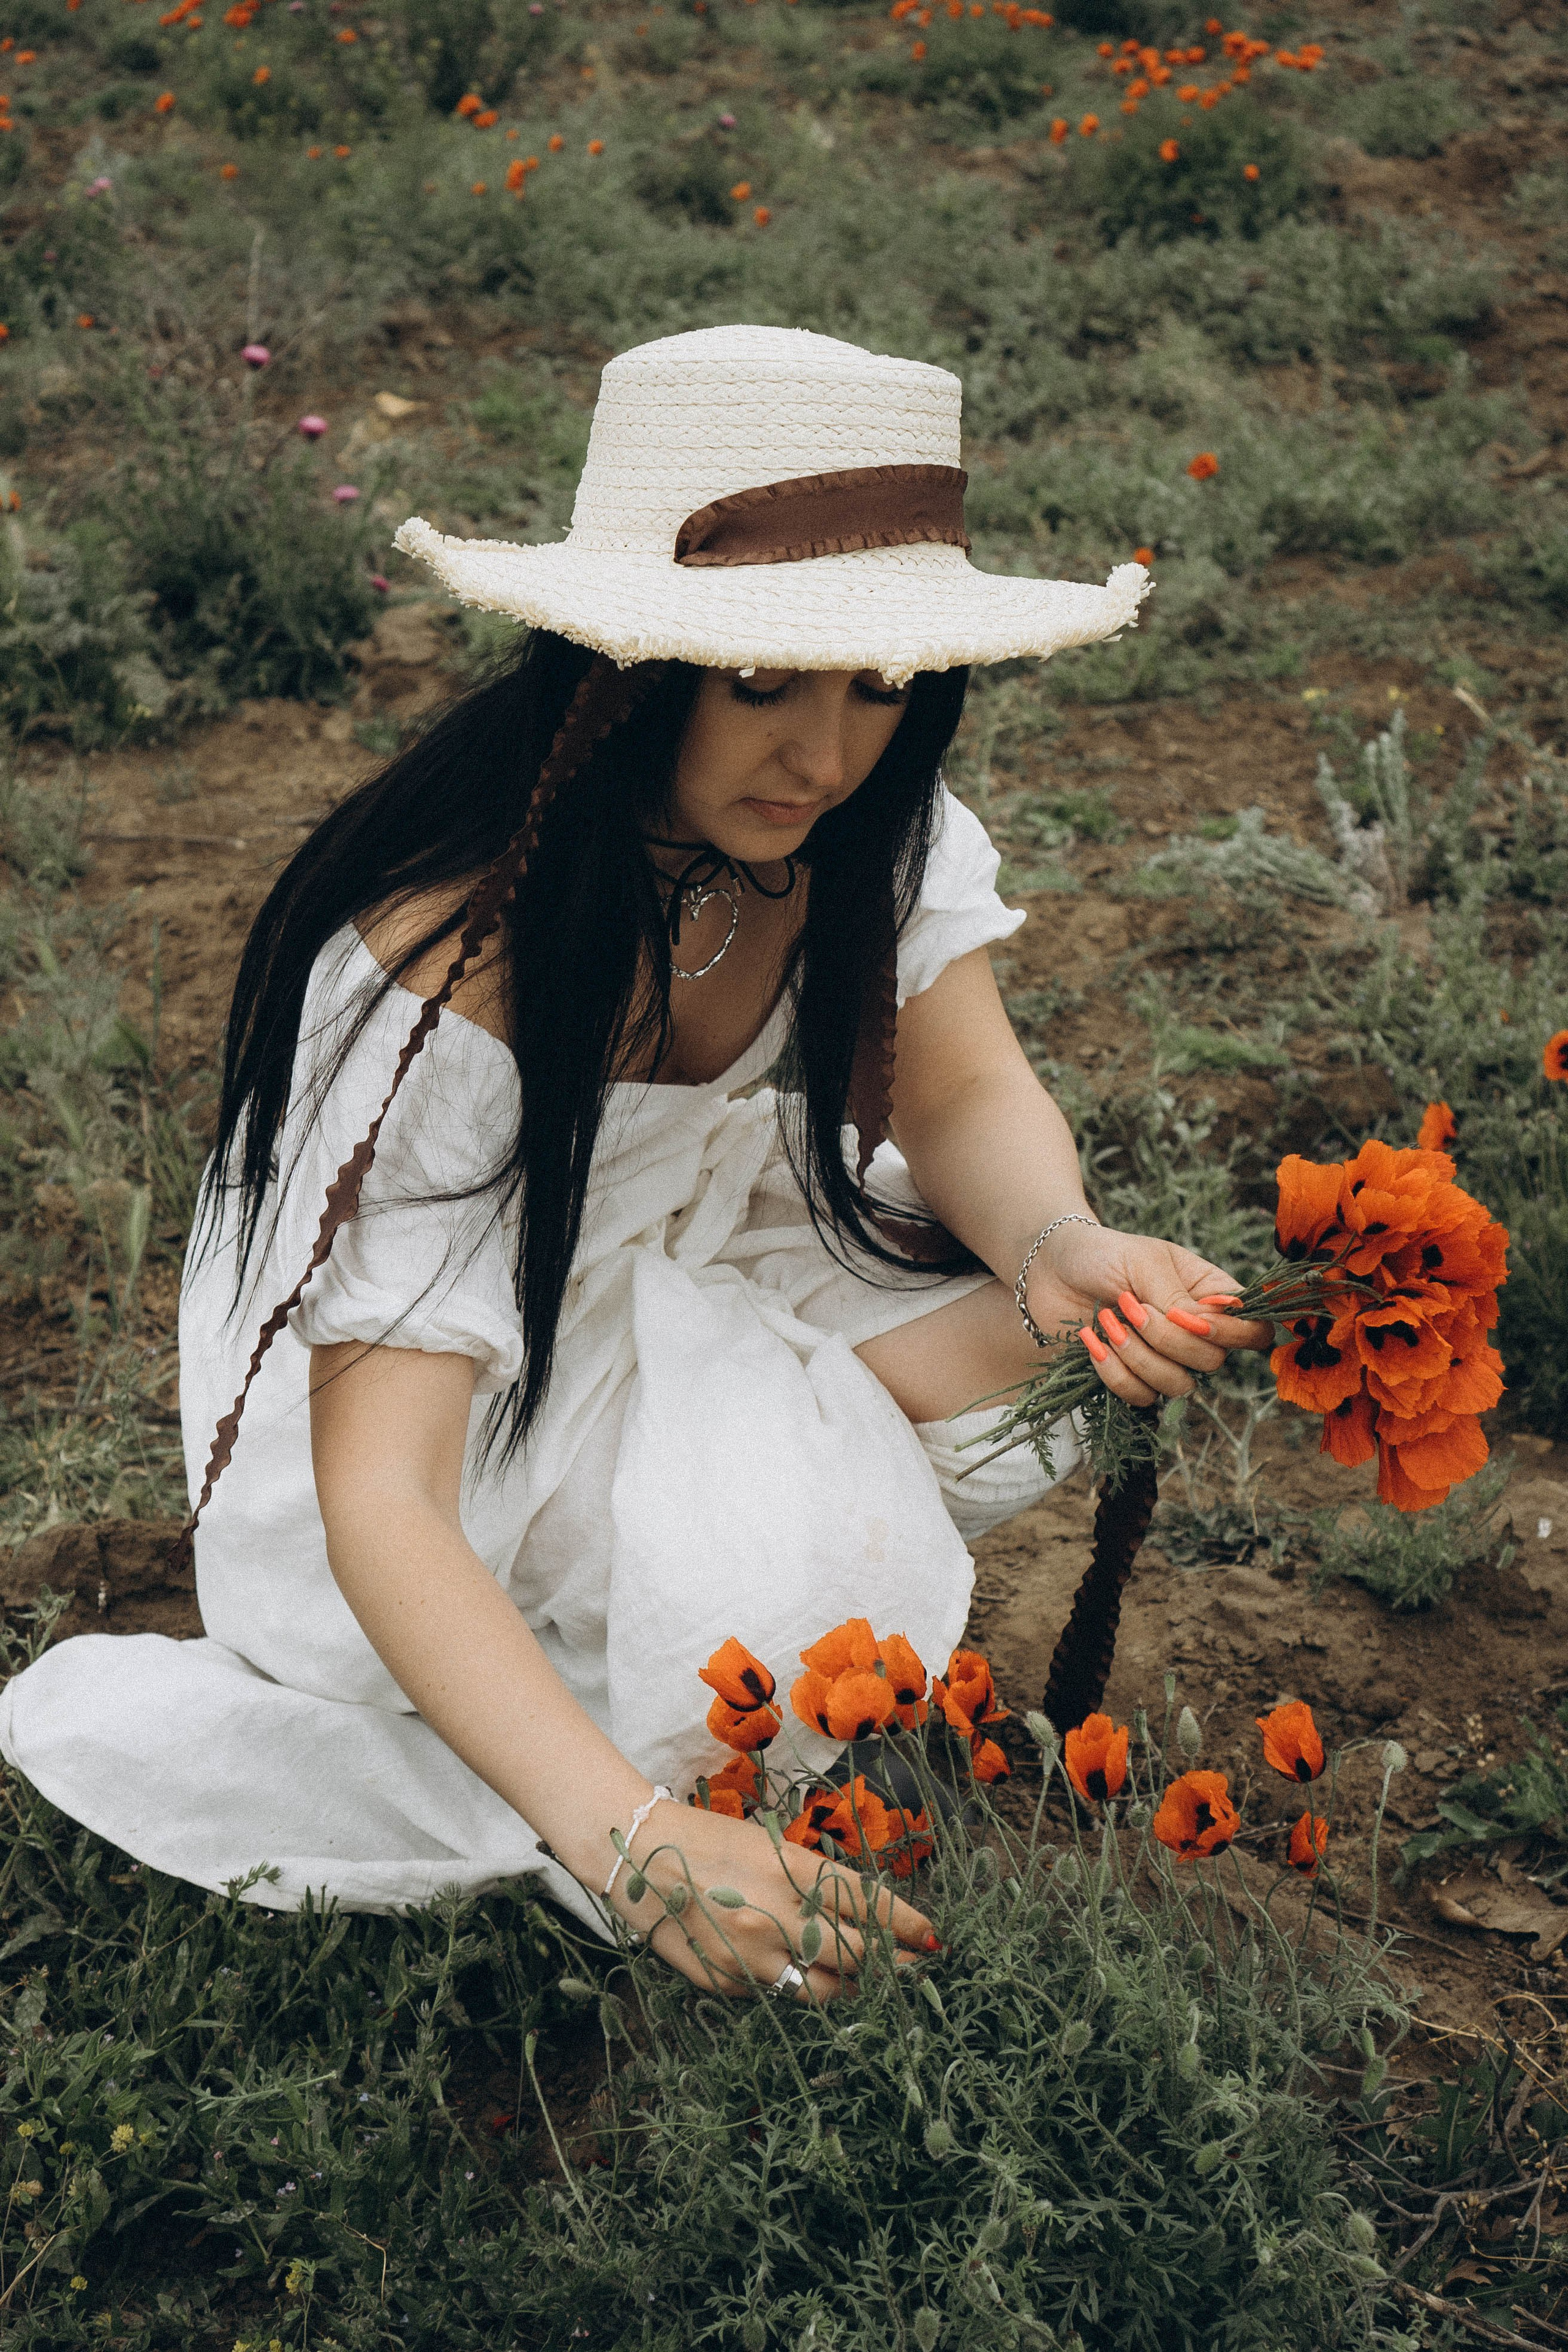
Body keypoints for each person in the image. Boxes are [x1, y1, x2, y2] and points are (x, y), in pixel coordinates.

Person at [0, 325, 1268, 2002]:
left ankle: (677, 1609)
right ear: (624, 669)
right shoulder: (457, 968)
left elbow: (961, 1093)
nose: (823, 756)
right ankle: (589, 1728)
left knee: (1061, 1349)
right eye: (761, 684)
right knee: (673, 1632)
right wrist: (627, 1840)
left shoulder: (860, 834)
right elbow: (385, 1487)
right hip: (429, 1422)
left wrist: (1059, 1248)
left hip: (683, 1252)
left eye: (878, 686)